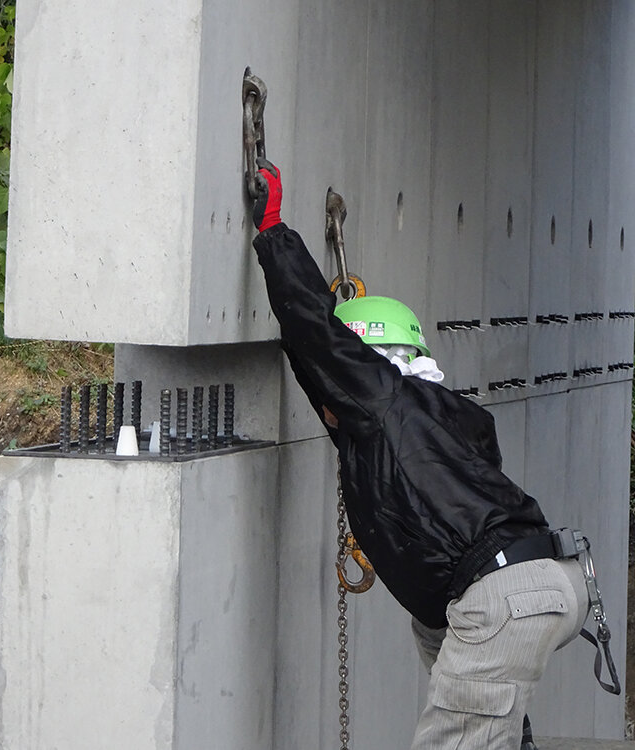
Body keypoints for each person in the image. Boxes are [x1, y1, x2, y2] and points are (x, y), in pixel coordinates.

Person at [250, 158, 590, 750]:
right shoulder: (439, 417)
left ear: (365, 363)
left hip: (500, 594)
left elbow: (317, 336)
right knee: (438, 639)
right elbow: (320, 369)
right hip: (548, 581)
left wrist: (272, 227)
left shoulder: (381, 400)